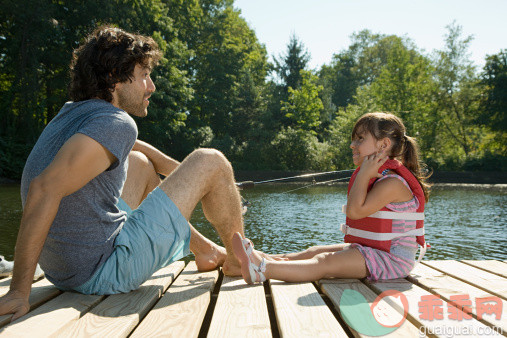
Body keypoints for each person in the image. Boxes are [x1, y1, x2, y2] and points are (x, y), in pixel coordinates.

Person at [0, 26, 253, 321]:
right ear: (114, 78)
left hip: (65, 270)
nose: (152, 86)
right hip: (103, 271)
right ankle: (237, 261)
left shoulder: (74, 112)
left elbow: (130, 146)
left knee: (140, 163)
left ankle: (206, 250)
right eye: (144, 74)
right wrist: (19, 291)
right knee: (212, 160)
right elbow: (43, 189)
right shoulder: (116, 122)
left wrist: (179, 171)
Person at [232, 112, 431, 284]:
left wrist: (362, 174)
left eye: (360, 138)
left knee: (325, 261)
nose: (353, 144)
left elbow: (355, 212)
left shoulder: (393, 183)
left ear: (383, 145)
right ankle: (260, 258)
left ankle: (262, 270)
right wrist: (364, 174)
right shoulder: (379, 177)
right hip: (372, 250)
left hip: (392, 260)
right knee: (314, 251)